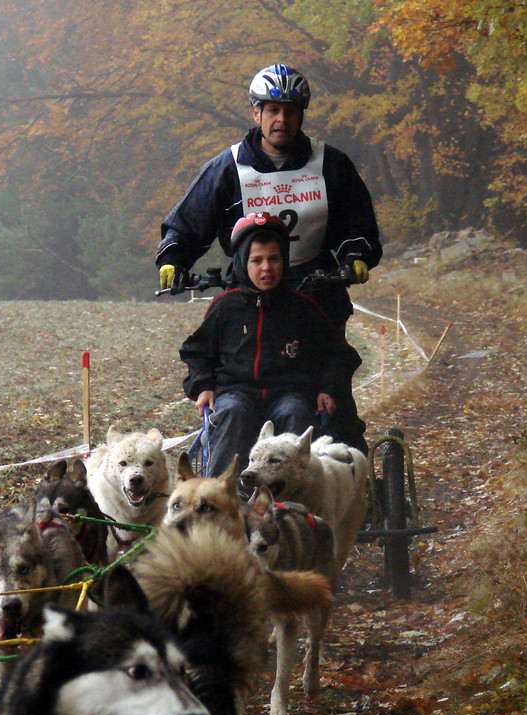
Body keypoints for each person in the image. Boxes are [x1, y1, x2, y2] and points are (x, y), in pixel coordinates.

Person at [157, 63, 381, 451]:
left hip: (317, 290)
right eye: (272, 110)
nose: (282, 119)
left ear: (301, 115)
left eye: (291, 110)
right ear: (256, 113)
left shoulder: (331, 164)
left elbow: (357, 223)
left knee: (331, 397)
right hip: (249, 291)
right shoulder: (227, 167)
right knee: (239, 390)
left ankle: (348, 473)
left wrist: (357, 254)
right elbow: (188, 221)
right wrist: (174, 258)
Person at [179, 212, 361, 478]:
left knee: (296, 413)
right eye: (257, 260)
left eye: (274, 259)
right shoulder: (224, 308)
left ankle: (296, 501)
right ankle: (220, 496)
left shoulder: (302, 308)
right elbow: (197, 352)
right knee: (232, 413)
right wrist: (203, 385)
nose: (267, 268)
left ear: (284, 261)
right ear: (243, 263)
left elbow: (337, 354)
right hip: (236, 393)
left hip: (289, 394)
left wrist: (327, 388)